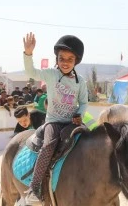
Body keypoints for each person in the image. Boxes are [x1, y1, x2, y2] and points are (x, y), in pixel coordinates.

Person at [22, 32, 88, 204]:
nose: (65, 62)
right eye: (62, 58)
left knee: (90, 140)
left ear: (76, 61)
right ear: (57, 59)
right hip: (53, 121)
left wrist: (79, 114)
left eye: (70, 59)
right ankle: (34, 187)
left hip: (72, 122)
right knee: (49, 145)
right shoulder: (51, 74)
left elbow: (83, 102)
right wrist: (28, 54)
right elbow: (31, 71)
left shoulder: (80, 81)